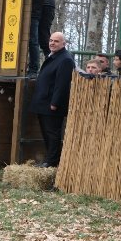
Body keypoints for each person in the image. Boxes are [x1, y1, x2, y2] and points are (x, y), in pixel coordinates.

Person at [30, 32, 74, 168]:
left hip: (52, 104)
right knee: (46, 133)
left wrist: (55, 103)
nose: (52, 43)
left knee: (53, 134)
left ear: (63, 44)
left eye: (56, 41)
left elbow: (62, 84)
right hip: (43, 102)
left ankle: (52, 162)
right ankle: (49, 160)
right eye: (51, 40)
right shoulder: (54, 56)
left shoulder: (65, 59)